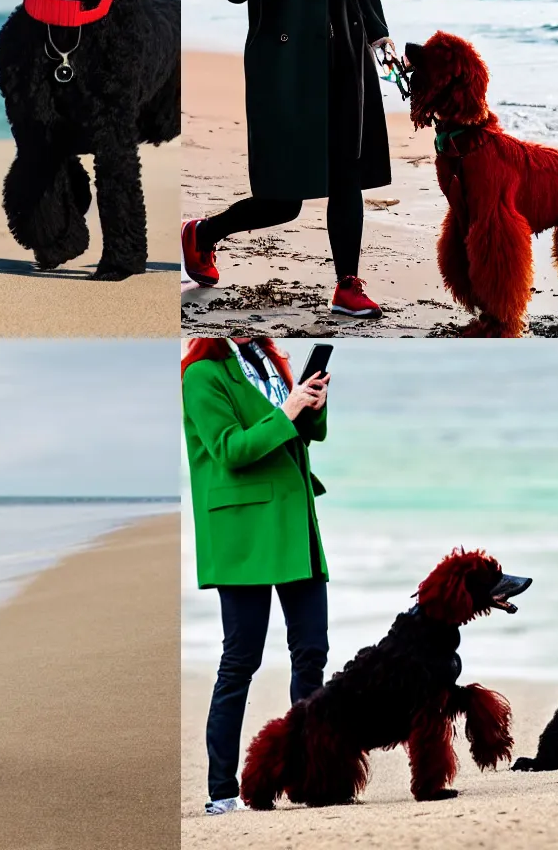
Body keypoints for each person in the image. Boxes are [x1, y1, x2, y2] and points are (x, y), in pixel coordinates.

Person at [181, 0, 399, 317]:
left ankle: (348, 284)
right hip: (283, 64)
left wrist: (379, 33)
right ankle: (203, 232)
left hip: (343, 52)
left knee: (347, 174)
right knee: (284, 201)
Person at [182, 336, 330, 815]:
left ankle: (309, 777)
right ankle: (222, 791)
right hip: (243, 531)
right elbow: (230, 450)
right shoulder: (200, 374)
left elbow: (303, 435)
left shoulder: (271, 358)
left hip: (293, 521)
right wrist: (286, 411)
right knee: (240, 661)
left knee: (311, 653)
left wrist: (313, 406)